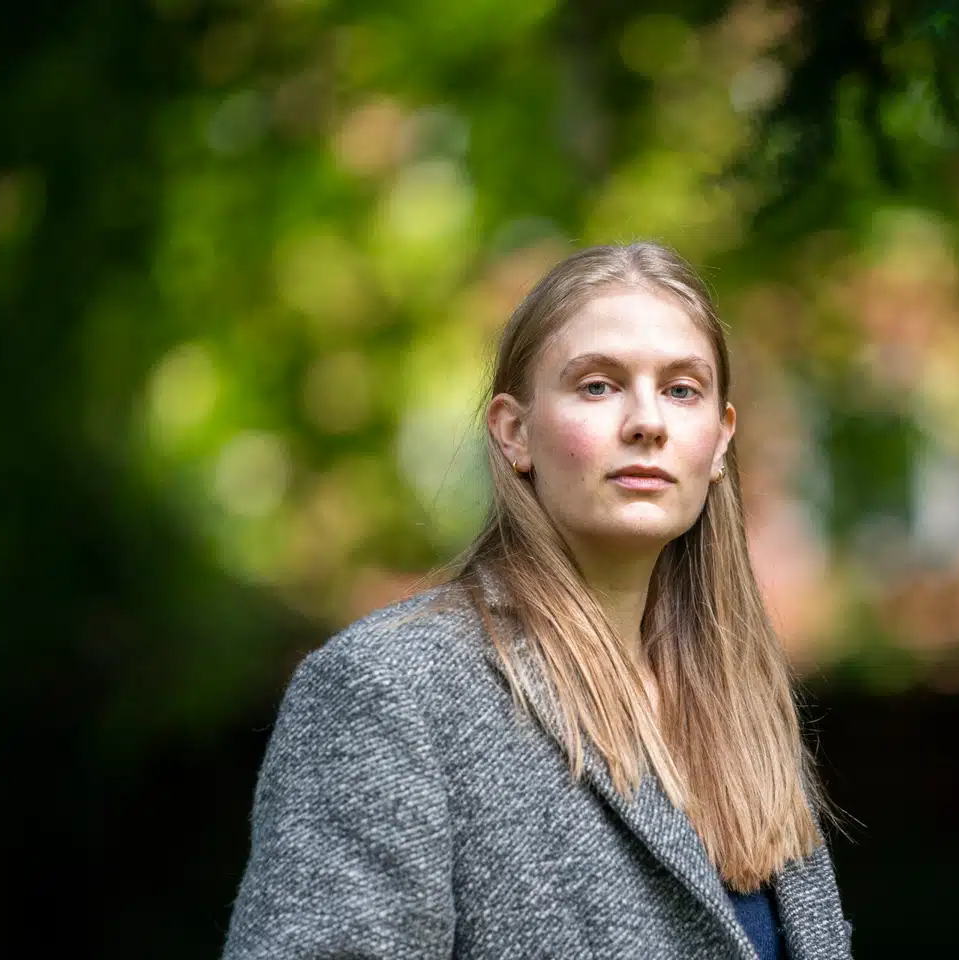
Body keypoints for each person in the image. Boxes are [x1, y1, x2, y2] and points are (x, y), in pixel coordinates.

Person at [221, 242, 855, 959]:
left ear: (718, 442)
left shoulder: (742, 708)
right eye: (598, 386)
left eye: (681, 389)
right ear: (514, 432)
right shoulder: (391, 691)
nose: (647, 421)